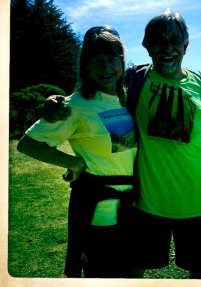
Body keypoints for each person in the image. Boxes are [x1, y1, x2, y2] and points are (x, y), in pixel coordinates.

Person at [42, 8, 201, 279]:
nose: (167, 48)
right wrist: (53, 101)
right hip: (145, 206)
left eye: (175, 40)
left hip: (197, 204)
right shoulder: (132, 81)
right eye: (158, 40)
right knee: (133, 271)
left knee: (200, 269)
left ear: (186, 44)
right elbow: (94, 89)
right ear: (146, 45)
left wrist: (198, 171)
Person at [17, 26, 138, 278]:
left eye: (112, 59)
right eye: (97, 60)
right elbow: (28, 144)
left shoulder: (125, 97)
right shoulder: (75, 105)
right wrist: (74, 162)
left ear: (122, 61)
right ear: (85, 64)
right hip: (100, 212)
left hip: (132, 209)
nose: (106, 67)